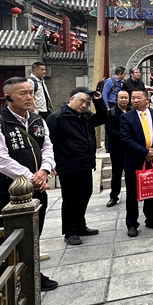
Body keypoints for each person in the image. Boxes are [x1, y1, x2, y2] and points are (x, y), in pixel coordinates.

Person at [0, 77, 58, 291]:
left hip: (37, 190)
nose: (29, 97)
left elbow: (47, 147)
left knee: (33, 234)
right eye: (23, 93)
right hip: (9, 193)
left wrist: (44, 170)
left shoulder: (37, 121)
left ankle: (30, 276)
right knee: (4, 236)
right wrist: (32, 177)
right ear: (8, 98)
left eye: (31, 92)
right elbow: (0, 159)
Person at [47, 87, 107, 245]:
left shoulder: (85, 116)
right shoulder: (57, 117)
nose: (84, 105)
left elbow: (103, 117)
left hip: (85, 164)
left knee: (85, 195)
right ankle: (70, 232)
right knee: (71, 199)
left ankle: (80, 225)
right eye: (82, 101)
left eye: (87, 103)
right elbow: (48, 143)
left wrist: (98, 100)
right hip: (68, 166)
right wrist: (50, 163)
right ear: (71, 98)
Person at [121, 89, 153, 237]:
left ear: (147, 99)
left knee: (151, 189)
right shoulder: (126, 117)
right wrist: (144, 152)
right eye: (133, 98)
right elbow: (126, 139)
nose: (135, 100)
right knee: (132, 193)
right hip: (135, 160)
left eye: (138, 98)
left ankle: (151, 218)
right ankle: (132, 223)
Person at [105, 90, 130, 207]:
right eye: (121, 98)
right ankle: (114, 196)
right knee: (116, 173)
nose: (124, 100)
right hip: (116, 148)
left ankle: (132, 193)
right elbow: (109, 130)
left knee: (131, 172)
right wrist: (124, 136)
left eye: (126, 97)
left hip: (130, 148)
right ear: (117, 99)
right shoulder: (111, 112)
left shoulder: (132, 111)